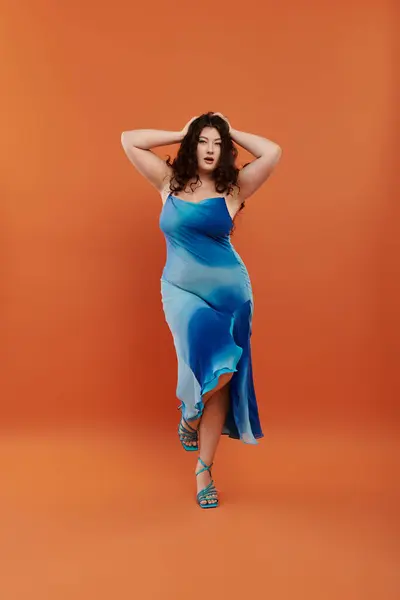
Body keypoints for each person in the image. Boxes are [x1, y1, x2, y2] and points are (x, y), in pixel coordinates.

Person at [121, 112, 282, 508]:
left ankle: (203, 469)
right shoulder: (169, 182)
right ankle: (189, 417)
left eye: (217, 143)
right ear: (192, 146)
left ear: (225, 150)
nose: (210, 150)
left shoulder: (234, 189)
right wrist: (181, 130)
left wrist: (229, 128)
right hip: (180, 292)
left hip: (232, 296)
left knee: (224, 376)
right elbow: (129, 139)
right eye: (203, 141)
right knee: (216, 369)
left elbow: (273, 152)